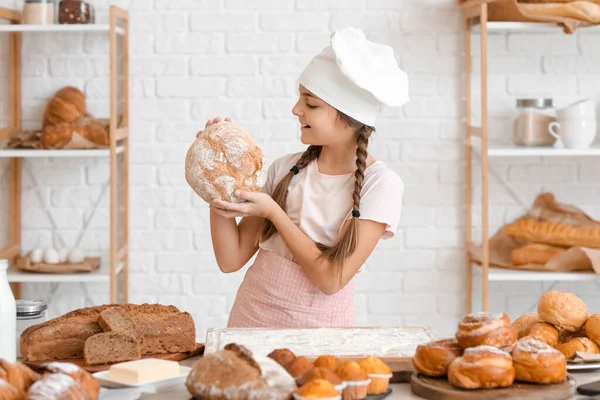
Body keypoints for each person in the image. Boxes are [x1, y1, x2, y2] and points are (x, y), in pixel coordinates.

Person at [202, 27, 409, 328]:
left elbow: (330, 279)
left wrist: (275, 213)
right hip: (249, 323)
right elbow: (230, 259)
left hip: (320, 334)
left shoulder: (381, 185)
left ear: (350, 117)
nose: (296, 110)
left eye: (311, 103)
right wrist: (217, 175)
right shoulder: (285, 169)